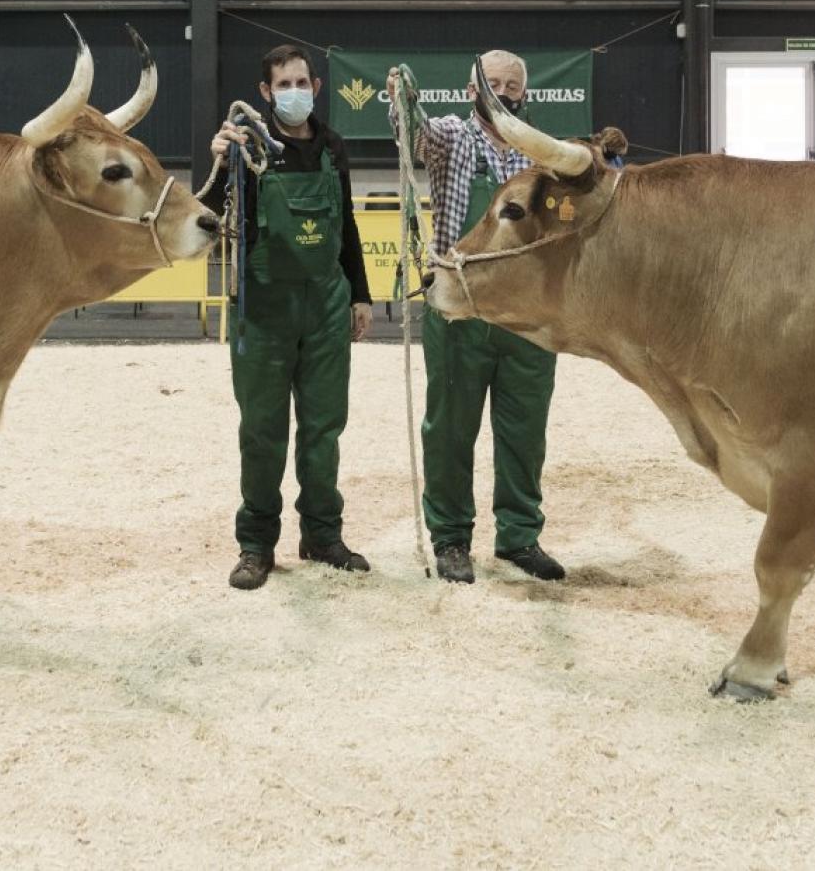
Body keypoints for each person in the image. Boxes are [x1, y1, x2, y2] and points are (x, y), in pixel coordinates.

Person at [387, 52, 563, 585]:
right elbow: (412, 132)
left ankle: (519, 536)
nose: (504, 92)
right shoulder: (451, 139)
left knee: (526, 433)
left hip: (530, 317)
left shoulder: (542, 157)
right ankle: (451, 538)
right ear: (471, 92)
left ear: (524, 93)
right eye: (493, 84)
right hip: (459, 310)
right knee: (450, 430)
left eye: (513, 85)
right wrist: (404, 99)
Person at [206, 44, 374, 591]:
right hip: (265, 306)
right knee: (262, 431)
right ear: (265, 92)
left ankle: (322, 535)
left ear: (317, 88)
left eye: (302, 82)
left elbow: (345, 224)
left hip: (326, 306)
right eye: (283, 84)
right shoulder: (244, 148)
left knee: (324, 429)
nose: (294, 92)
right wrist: (217, 160)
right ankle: (256, 544)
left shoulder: (332, 146)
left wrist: (361, 296)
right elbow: (207, 212)